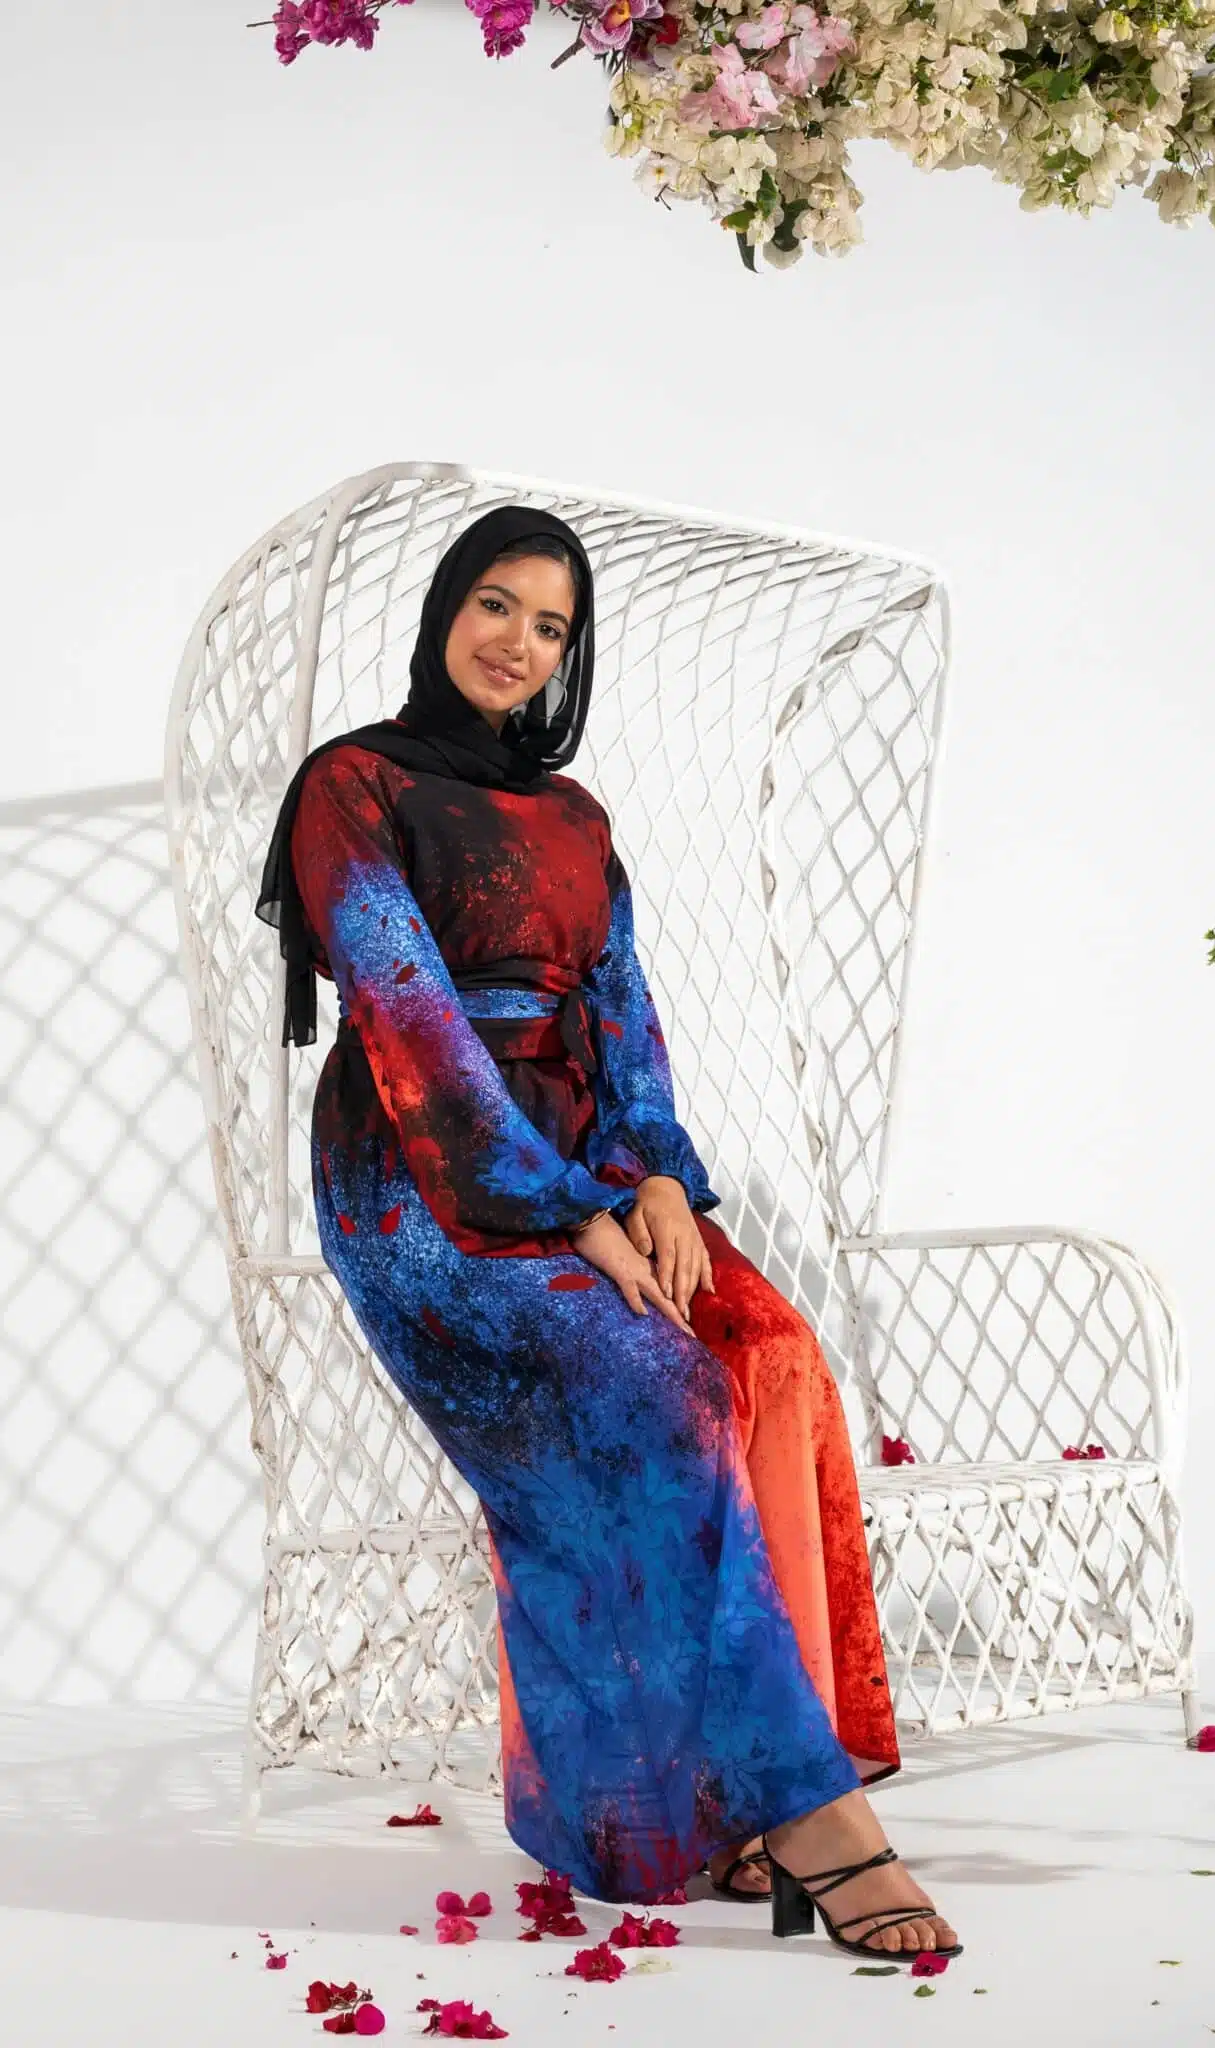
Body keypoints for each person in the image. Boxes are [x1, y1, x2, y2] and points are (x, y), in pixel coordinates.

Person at [254, 505, 960, 1959]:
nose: (517, 644)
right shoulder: (353, 784)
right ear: (445, 609)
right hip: (422, 1179)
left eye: (551, 626)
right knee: (657, 1383)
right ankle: (804, 1813)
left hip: (586, 1160)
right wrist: (562, 1208)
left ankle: (744, 1790)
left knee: (774, 1353)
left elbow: (624, 1010)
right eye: (494, 606)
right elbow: (408, 1019)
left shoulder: (575, 817)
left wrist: (653, 1180)